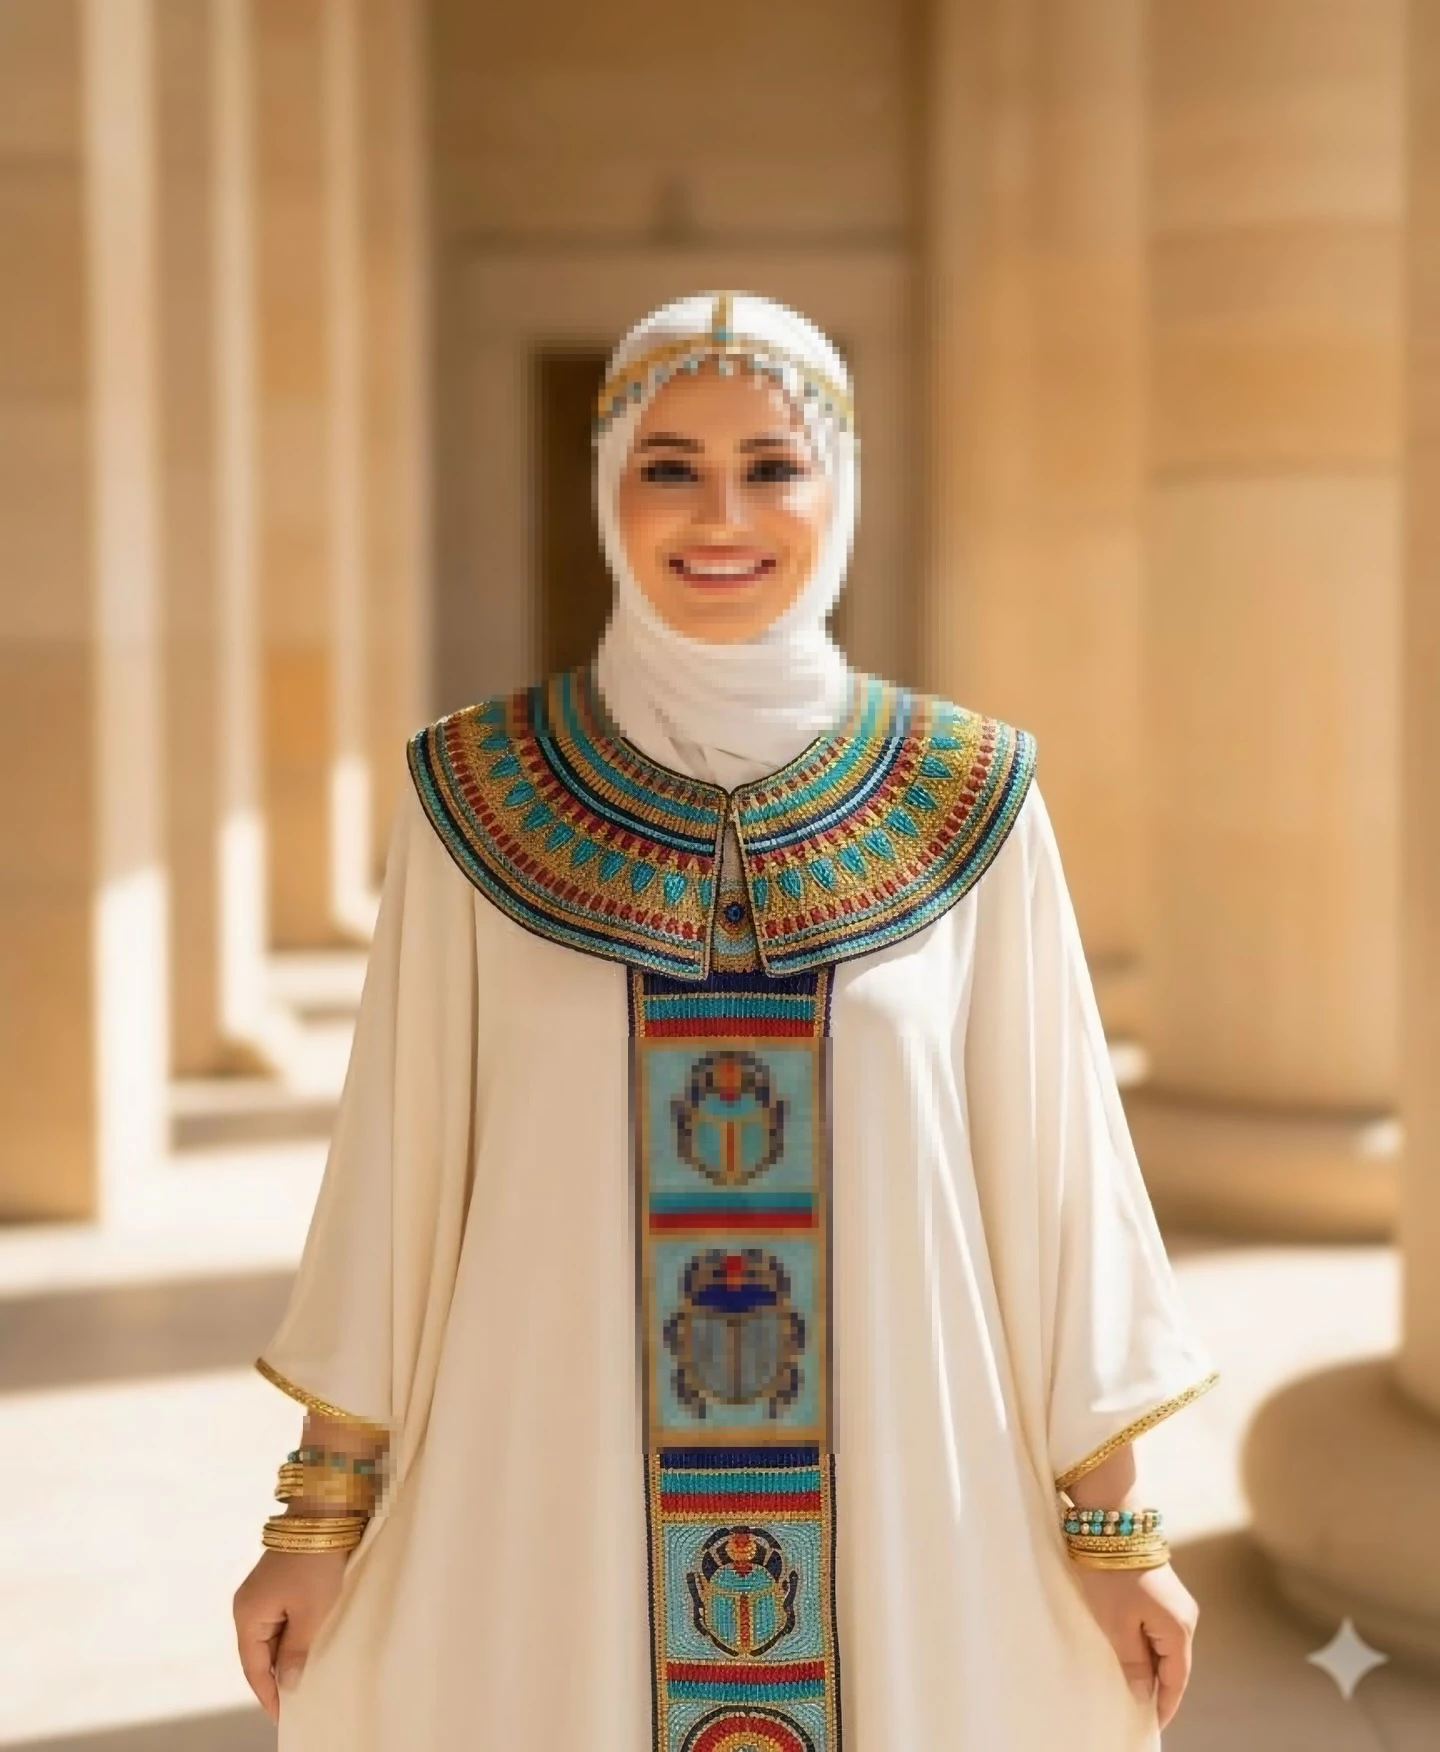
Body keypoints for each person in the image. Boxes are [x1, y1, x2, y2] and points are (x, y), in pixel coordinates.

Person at [232, 290, 1219, 1751]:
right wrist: (316, 1514)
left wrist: (1116, 1525)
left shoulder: (971, 799)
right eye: (668, 464)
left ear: (842, 486)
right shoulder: (475, 798)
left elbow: (1053, 1182)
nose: (721, 513)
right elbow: (400, 1175)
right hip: (559, 1499)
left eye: (772, 464)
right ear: (606, 491)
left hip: (905, 1508)